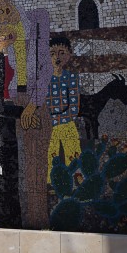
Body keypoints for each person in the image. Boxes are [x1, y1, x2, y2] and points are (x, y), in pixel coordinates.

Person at [0, 0, 51, 229]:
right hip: (12, 103)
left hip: (34, 100)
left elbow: (45, 65)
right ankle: (17, 220)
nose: (0, 12)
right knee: (17, 166)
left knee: (37, 167)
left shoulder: (37, 18)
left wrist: (32, 105)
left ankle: (38, 222)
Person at [46, 36, 81, 179]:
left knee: (73, 153)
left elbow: (73, 105)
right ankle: (51, 183)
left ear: (69, 54)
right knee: (50, 155)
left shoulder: (71, 77)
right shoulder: (44, 79)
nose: (57, 57)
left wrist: (59, 119)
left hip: (67, 123)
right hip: (49, 125)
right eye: (52, 53)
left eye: (61, 52)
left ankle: (77, 181)